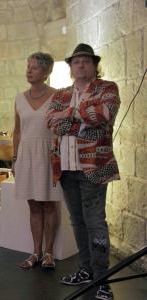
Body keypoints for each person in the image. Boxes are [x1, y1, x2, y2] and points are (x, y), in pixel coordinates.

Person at [47, 43, 120, 300]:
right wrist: (80, 119)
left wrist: (69, 115)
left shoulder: (107, 88)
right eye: (76, 61)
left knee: (95, 223)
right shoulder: (60, 94)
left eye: (86, 61)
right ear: (70, 67)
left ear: (94, 65)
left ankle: (103, 281)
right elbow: (51, 122)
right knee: (77, 222)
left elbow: (104, 113)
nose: (81, 64)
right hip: (66, 167)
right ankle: (86, 270)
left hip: (95, 167)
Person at [13, 52, 64, 270]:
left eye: (34, 68)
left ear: (46, 72)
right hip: (26, 155)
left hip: (49, 154)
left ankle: (49, 253)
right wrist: (14, 159)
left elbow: (63, 130)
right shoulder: (19, 98)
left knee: (50, 204)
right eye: (28, 66)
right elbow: (16, 131)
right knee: (33, 205)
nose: (29, 70)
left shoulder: (58, 96)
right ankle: (36, 252)